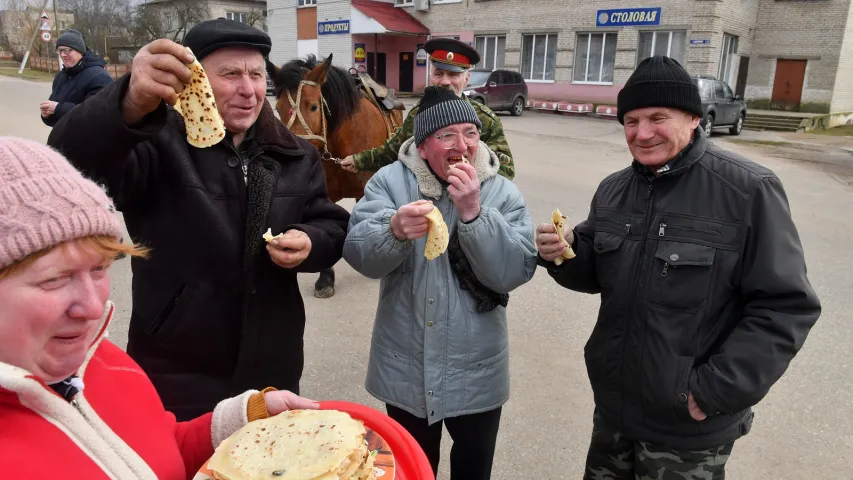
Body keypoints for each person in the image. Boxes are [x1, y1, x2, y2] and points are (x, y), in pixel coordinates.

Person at [46, 19, 351, 421]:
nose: (249, 89)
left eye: (257, 74)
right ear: (196, 84)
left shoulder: (295, 154)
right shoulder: (156, 143)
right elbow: (67, 166)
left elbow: (331, 224)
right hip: (178, 374)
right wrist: (129, 103)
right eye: (230, 74)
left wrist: (311, 241)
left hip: (272, 370)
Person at [535, 56, 821, 479]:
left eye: (657, 118)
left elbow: (786, 307)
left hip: (689, 428)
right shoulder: (614, 190)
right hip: (615, 413)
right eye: (631, 121)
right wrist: (563, 251)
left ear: (692, 118)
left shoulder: (747, 190)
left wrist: (713, 391)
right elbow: (595, 271)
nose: (642, 133)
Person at [0, 136, 320, 478]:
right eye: (54, 279)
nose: (94, 309)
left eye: (99, 269)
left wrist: (244, 418)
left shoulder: (105, 363)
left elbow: (162, 450)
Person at [343, 86, 537, 479]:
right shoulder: (388, 183)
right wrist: (392, 230)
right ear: (423, 143)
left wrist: (474, 213)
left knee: (472, 469)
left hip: (477, 368)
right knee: (412, 469)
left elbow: (514, 271)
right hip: (406, 369)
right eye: (447, 135)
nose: (462, 145)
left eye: (470, 132)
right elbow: (359, 254)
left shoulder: (501, 191)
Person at [339, 38, 516, 180]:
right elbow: (392, 150)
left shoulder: (484, 119)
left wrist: (468, 178)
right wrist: (359, 160)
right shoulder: (419, 113)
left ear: (466, 78)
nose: (445, 82)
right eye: (439, 73)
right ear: (431, 76)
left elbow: (506, 170)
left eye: (454, 75)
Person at [40, 29, 113, 127]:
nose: (62, 54)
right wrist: (47, 115)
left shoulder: (99, 77)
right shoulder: (60, 77)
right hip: (62, 139)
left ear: (80, 51)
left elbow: (97, 114)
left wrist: (58, 109)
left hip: (89, 141)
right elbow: (54, 112)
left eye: (66, 50)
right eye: (60, 50)